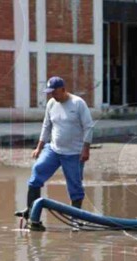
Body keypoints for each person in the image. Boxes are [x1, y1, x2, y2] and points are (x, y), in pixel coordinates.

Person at [14, 76, 94, 228]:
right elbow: (46, 125)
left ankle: (75, 218)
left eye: (55, 92)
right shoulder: (51, 104)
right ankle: (30, 210)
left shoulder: (78, 104)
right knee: (37, 171)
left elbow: (89, 126)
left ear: (63, 89)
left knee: (75, 186)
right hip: (54, 149)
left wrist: (86, 149)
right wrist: (39, 147)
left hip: (73, 153)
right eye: (50, 93)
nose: (52, 96)